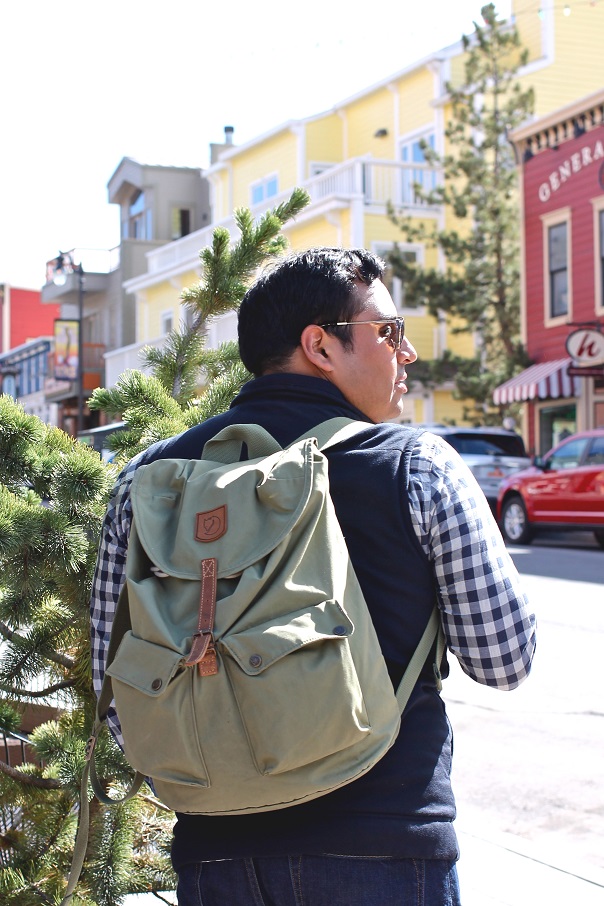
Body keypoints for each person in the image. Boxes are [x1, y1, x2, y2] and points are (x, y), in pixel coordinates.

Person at [90, 247, 536, 906]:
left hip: (216, 853)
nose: (407, 352)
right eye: (388, 331)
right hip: (383, 843)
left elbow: (116, 692)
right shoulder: (416, 466)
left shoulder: (144, 483)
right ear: (320, 346)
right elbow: (504, 659)